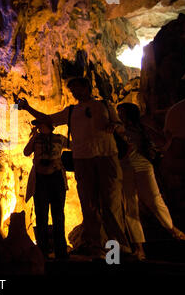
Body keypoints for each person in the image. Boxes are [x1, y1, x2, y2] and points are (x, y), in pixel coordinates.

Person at [18, 77, 130, 258]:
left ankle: (117, 252)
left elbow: (120, 127)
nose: (74, 93)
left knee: (111, 203)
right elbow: (47, 118)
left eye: (77, 88)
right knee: (89, 205)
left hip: (106, 156)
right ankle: (98, 249)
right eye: (72, 91)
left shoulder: (104, 105)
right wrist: (27, 107)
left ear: (87, 87)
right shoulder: (71, 111)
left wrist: (114, 125)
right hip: (82, 160)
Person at [117, 103, 185, 261]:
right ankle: (139, 248)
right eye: (118, 113)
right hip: (124, 168)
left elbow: (159, 141)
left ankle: (173, 230)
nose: (120, 115)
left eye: (122, 113)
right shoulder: (117, 130)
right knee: (130, 207)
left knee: (154, 200)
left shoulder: (141, 128)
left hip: (142, 165)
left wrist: (166, 144)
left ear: (130, 114)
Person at [24, 120, 69, 260]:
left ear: (49, 126)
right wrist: (33, 137)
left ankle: (61, 251)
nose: (38, 127)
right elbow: (26, 152)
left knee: (58, 215)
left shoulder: (60, 138)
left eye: (41, 124)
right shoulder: (36, 139)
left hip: (56, 177)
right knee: (41, 214)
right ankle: (42, 251)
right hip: (40, 178)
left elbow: (75, 146)